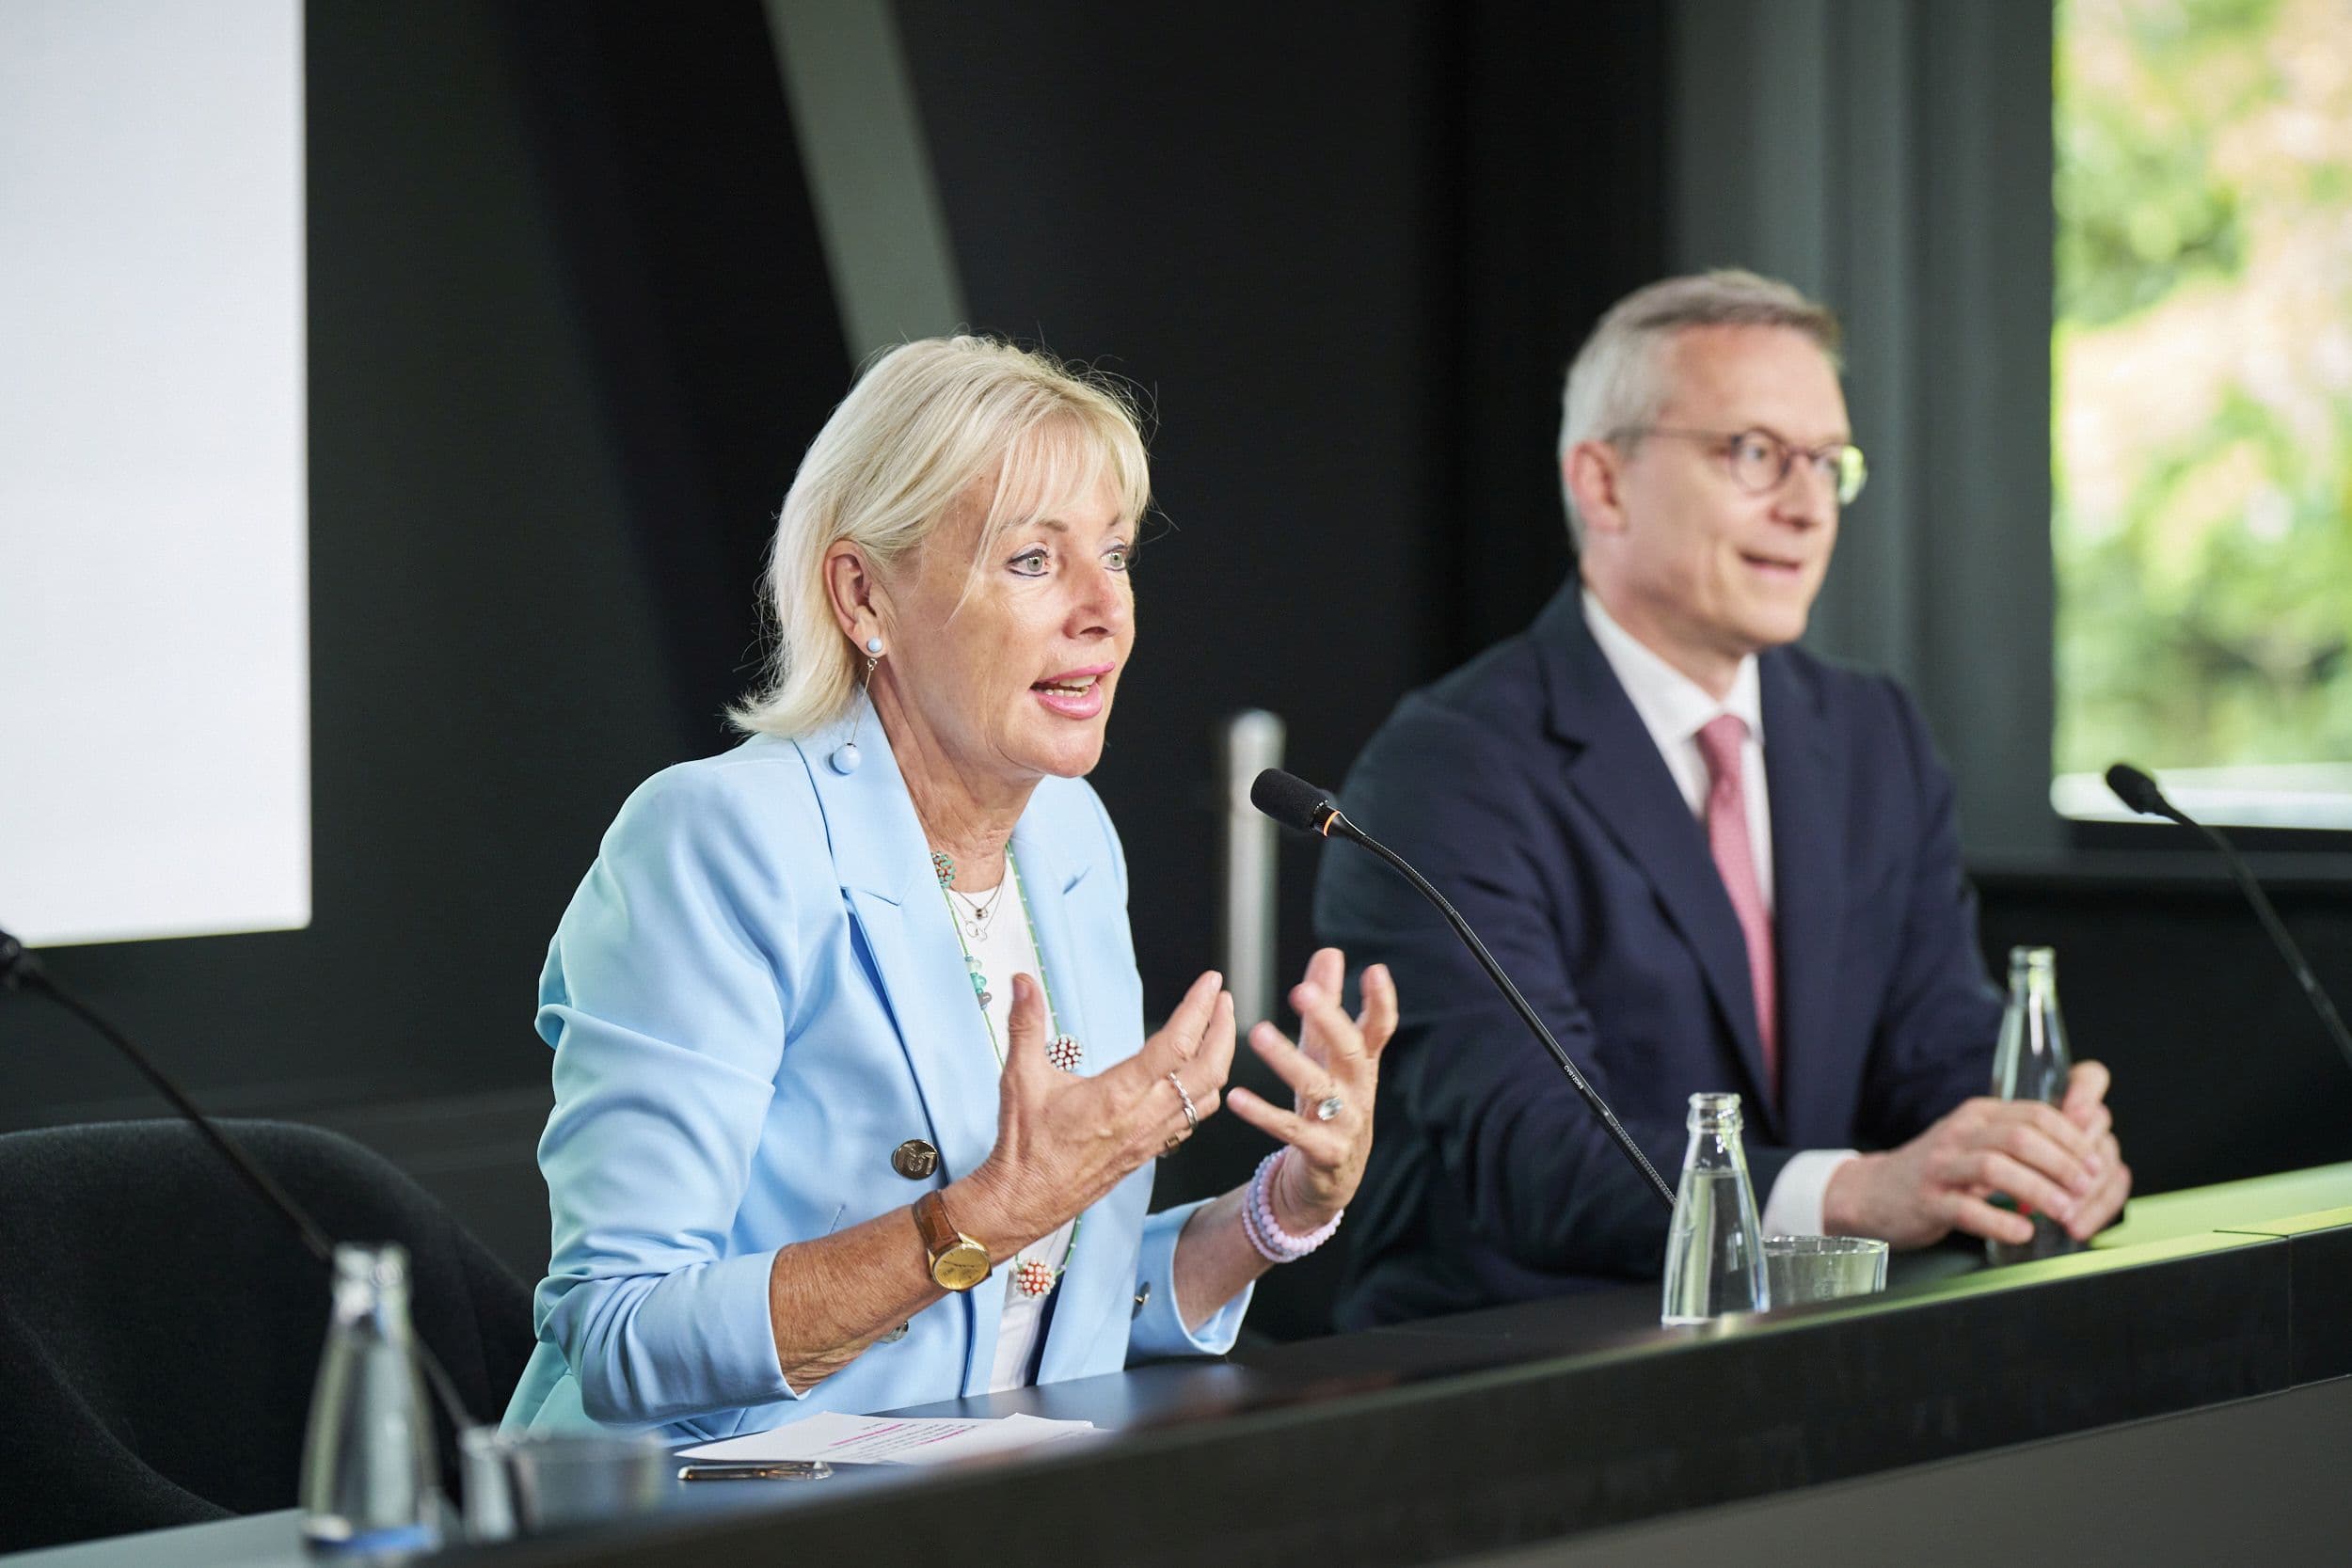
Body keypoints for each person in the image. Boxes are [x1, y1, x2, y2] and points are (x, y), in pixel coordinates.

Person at [505, 337, 1396, 1440]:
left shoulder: (1066, 833)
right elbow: (623, 1333)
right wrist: (991, 1210)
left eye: (1114, 555)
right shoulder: (718, 840)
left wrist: (1279, 1208)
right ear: (863, 594)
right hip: (722, 1503)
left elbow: (1042, 1310)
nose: (1103, 609)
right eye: (1032, 559)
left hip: (996, 1494)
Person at [1318, 271, 2128, 1329]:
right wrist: (1854, 1194)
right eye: (1752, 453)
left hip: (1822, 1349)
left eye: (1827, 463)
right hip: (1522, 1363)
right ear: (1603, 483)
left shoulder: (1871, 734)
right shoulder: (1446, 767)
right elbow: (1533, 1150)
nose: (1806, 507)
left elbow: (1935, 1044)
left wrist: (2029, 1147)